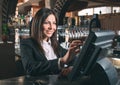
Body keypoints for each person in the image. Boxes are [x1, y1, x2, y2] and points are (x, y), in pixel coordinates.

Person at [20, 8, 82, 76]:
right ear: (38, 24)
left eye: (54, 23)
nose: (51, 27)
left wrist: (71, 68)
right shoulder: (27, 43)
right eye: (46, 23)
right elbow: (30, 68)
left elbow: (73, 59)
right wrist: (61, 62)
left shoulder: (55, 44)